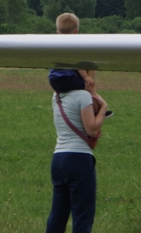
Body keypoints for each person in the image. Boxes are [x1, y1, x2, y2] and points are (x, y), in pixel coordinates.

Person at [46, 76, 109, 233]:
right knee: (82, 215)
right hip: (79, 158)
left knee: (58, 213)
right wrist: (103, 109)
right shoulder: (83, 96)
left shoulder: (57, 96)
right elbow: (92, 129)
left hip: (58, 158)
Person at [48, 13, 112, 117]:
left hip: (54, 80)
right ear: (76, 32)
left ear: (57, 33)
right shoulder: (72, 45)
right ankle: (97, 110)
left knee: (88, 75)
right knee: (89, 85)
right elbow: (76, 63)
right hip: (66, 79)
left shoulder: (55, 44)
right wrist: (86, 77)